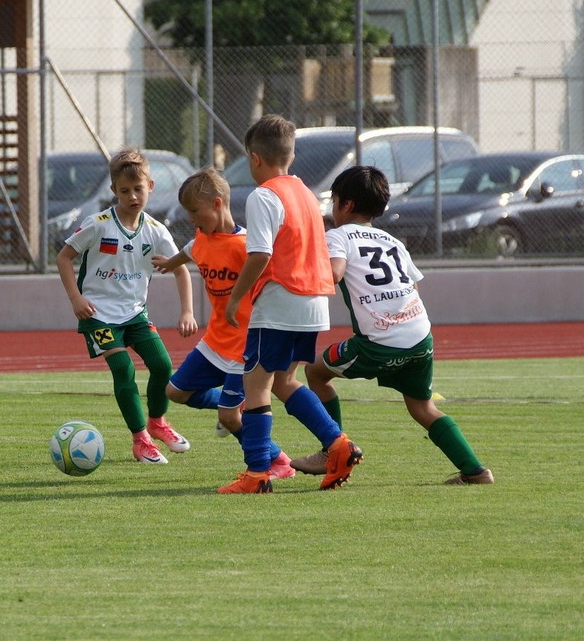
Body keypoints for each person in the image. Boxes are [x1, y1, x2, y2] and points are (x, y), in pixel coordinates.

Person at [296, 165, 494, 485]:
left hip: (378, 342)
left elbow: (333, 273)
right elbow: (412, 287)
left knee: (315, 372)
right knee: (422, 406)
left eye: (334, 201)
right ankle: (475, 471)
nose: (332, 208)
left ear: (346, 204)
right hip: (419, 335)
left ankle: (332, 451)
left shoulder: (338, 236)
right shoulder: (392, 242)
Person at [221, 114, 363, 494]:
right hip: (314, 300)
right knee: (284, 381)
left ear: (254, 158)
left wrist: (235, 299)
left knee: (256, 385)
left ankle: (256, 474)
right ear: (292, 155)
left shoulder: (264, 195)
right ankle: (338, 445)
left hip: (280, 300)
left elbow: (260, 254)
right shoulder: (305, 192)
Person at [152, 167, 295, 481]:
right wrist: (170, 263)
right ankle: (237, 406)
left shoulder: (246, 246)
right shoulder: (202, 239)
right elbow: (190, 251)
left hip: (243, 348)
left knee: (229, 418)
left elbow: (272, 269)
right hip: (215, 341)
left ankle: (277, 460)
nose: (191, 219)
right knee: (175, 391)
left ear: (217, 204)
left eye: (194, 211)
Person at [56, 147, 197, 464]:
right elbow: (64, 257)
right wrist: (76, 299)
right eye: (124, 191)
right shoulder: (99, 224)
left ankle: (157, 423)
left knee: (162, 365)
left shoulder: (156, 230)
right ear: (114, 191)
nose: (132, 196)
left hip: (135, 314)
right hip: (97, 316)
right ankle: (140, 440)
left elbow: (180, 269)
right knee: (123, 369)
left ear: (150, 186)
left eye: (138, 188)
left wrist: (187, 311)